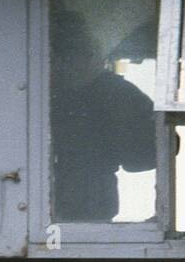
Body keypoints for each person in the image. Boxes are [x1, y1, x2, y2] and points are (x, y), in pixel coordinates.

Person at [50, 12, 157, 222]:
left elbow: (151, 152)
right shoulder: (35, 95)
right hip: (43, 210)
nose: (65, 62)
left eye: (77, 52)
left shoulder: (117, 94)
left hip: (92, 209)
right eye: (63, 54)